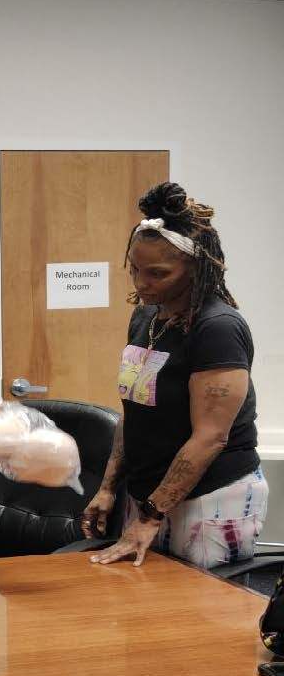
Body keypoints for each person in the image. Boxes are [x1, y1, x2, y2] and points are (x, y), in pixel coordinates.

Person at [83, 182, 267, 569]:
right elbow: (132, 412)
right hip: (150, 496)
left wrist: (151, 515)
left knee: (197, 616)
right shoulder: (147, 316)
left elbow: (211, 436)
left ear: (195, 267)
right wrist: (108, 488)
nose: (140, 283)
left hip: (210, 498)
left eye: (157, 273)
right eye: (134, 268)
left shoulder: (217, 327)